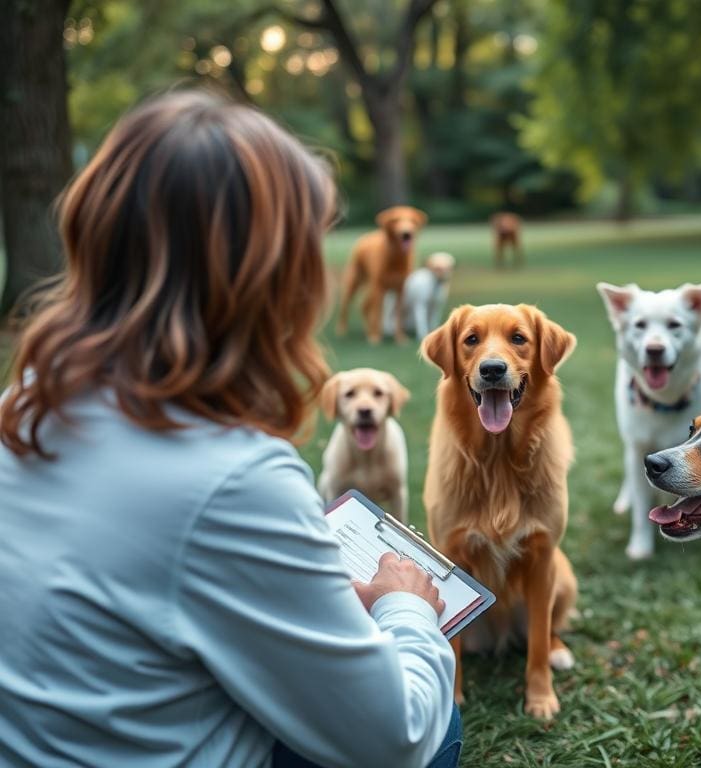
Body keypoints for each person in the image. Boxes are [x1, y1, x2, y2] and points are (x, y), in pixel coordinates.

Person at [0, 91, 459, 768]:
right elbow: (395, 741)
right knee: (439, 724)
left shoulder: (30, 401)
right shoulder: (232, 474)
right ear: (272, 277)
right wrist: (406, 610)